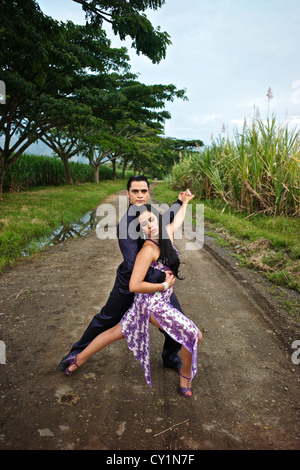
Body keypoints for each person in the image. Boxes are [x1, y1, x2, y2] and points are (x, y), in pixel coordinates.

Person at [62, 194, 202, 398]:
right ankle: (185, 374)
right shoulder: (148, 249)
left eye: (151, 220)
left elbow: (178, 219)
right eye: (143, 224)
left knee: (115, 332)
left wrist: (185, 202)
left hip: (151, 303)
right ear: (140, 229)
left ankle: (78, 360)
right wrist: (163, 285)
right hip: (152, 304)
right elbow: (134, 285)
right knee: (193, 335)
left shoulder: (166, 235)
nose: (150, 226)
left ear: (159, 220)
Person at [58, 175, 186, 372]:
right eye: (135, 191)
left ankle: (170, 356)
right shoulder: (126, 225)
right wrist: (163, 279)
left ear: (148, 193)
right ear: (128, 194)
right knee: (106, 318)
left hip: (154, 284)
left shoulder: (150, 214)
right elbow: (133, 263)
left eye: (144, 191)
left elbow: (168, 217)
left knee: (176, 319)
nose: (140, 195)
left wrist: (179, 201)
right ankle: (75, 354)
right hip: (130, 282)